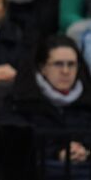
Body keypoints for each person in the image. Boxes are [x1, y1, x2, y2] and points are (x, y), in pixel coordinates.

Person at [10, 35, 91, 179]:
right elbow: (17, 148)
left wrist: (84, 150)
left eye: (71, 64)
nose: (66, 71)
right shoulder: (19, 103)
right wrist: (57, 152)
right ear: (42, 68)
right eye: (58, 64)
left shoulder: (87, 102)